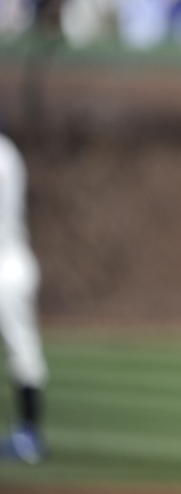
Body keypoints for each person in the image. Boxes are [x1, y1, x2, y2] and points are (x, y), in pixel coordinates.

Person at [0, 133, 47, 465]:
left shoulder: (2, 155)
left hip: (7, 266)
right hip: (14, 262)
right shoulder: (9, 152)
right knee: (23, 348)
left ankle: (29, 436)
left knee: (22, 349)